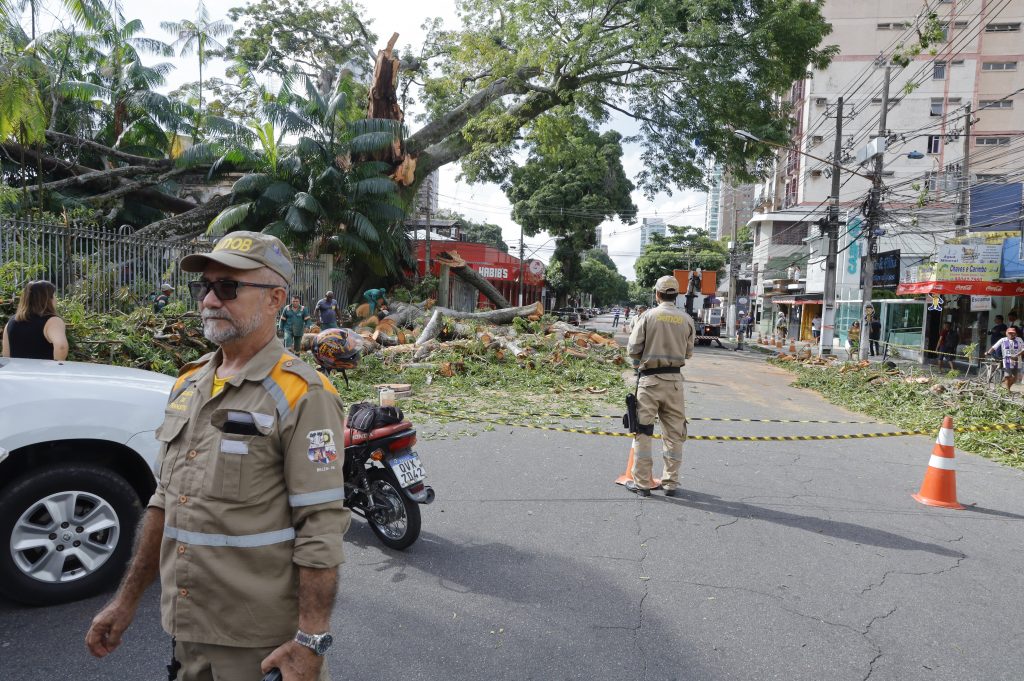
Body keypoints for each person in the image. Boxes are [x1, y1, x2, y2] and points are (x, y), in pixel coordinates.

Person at [86, 231, 348, 681]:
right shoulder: (188, 384)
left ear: (275, 299)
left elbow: (320, 526)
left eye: (228, 287)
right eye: (204, 286)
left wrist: (311, 640)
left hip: (259, 642)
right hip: (186, 624)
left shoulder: (303, 395)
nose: (209, 299)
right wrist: (125, 601)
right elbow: (164, 502)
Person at [624, 275, 696, 498]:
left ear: (657, 294)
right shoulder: (686, 320)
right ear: (676, 295)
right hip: (674, 383)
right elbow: (688, 353)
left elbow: (632, 350)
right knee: (674, 434)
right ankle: (670, 483)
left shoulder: (648, 317)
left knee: (643, 431)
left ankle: (643, 483)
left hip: (649, 382)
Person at [2, 280, 69, 361]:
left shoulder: (11, 322)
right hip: (43, 372)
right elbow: (61, 347)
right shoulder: (53, 321)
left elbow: (6, 356)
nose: (56, 300)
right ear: (48, 299)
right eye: (54, 296)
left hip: (17, 372)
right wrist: (57, 368)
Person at [986, 326, 1024, 392]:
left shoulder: (1019, 339)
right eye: (1010, 333)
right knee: (1008, 376)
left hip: (1018, 359)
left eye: (1013, 333)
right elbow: (994, 347)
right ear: (1006, 333)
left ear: (1015, 333)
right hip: (1007, 359)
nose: (1011, 334)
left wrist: (1017, 355)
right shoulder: (1003, 340)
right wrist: (988, 352)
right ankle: (1008, 390)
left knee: (1017, 377)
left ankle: (1007, 386)